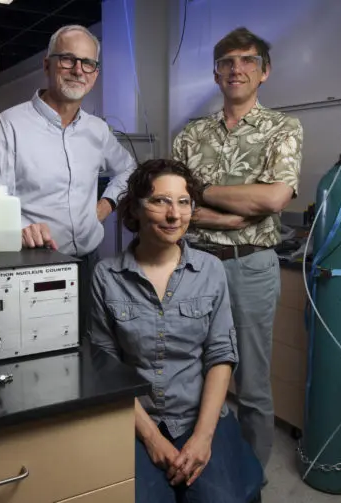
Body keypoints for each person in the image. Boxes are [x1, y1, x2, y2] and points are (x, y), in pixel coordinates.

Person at [89, 159, 263, 502]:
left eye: (183, 202)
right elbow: (104, 367)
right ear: (135, 209)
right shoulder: (107, 277)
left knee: (221, 497)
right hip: (136, 419)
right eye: (160, 201)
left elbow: (220, 356)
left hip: (197, 415)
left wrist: (203, 437)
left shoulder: (210, 270)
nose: (174, 215)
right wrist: (152, 438)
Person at [172, 27, 304, 472]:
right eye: (228, 62)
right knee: (186, 368)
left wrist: (201, 193)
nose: (237, 69)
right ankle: (191, 459)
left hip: (250, 268)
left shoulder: (283, 128)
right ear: (215, 73)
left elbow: (273, 200)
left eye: (248, 61)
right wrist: (227, 214)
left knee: (251, 383)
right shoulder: (190, 135)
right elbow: (173, 208)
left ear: (264, 72)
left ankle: (249, 473)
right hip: (192, 263)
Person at [0, 24, 136, 332]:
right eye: (67, 59)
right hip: (35, 266)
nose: (78, 70)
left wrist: (106, 205)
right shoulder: (10, 125)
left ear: (95, 72)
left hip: (90, 263)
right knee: (40, 353)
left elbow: (129, 169)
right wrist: (22, 229)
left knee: (88, 350)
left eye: (87, 63)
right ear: (47, 64)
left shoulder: (97, 130)